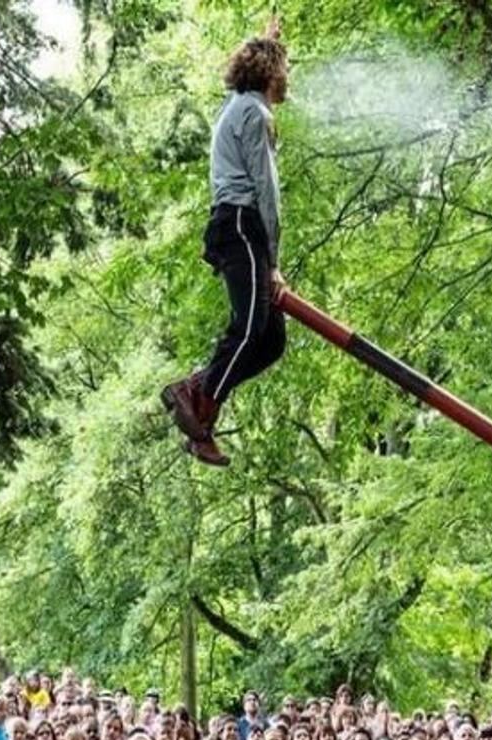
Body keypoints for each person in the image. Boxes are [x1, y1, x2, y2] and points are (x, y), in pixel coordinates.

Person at [161, 15, 291, 467]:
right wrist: (273, 261)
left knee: (271, 341)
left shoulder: (235, 105)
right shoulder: (256, 113)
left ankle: (198, 392)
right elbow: (266, 190)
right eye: (283, 68)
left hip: (232, 226)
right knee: (251, 326)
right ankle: (199, 397)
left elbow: (249, 71)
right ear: (269, 73)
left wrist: (268, 41)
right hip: (242, 224)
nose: (287, 77)